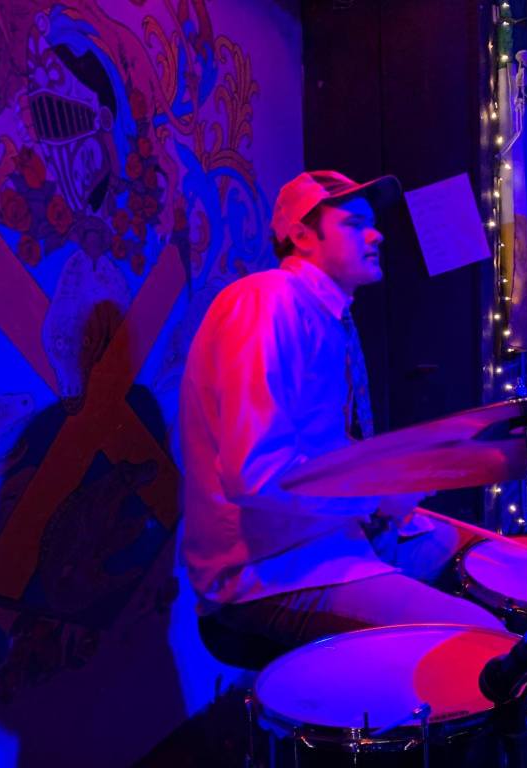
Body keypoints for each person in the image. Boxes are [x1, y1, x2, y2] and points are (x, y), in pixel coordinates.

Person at [179, 170, 501, 655]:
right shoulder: (269, 301)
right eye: (354, 224)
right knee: (486, 640)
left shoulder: (326, 317)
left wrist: (398, 474)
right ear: (302, 236)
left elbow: (318, 447)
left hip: (330, 539)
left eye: (371, 223)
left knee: (496, 560)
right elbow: (256, 475)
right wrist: (375, 498)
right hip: (271, 569)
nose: (377, 235)